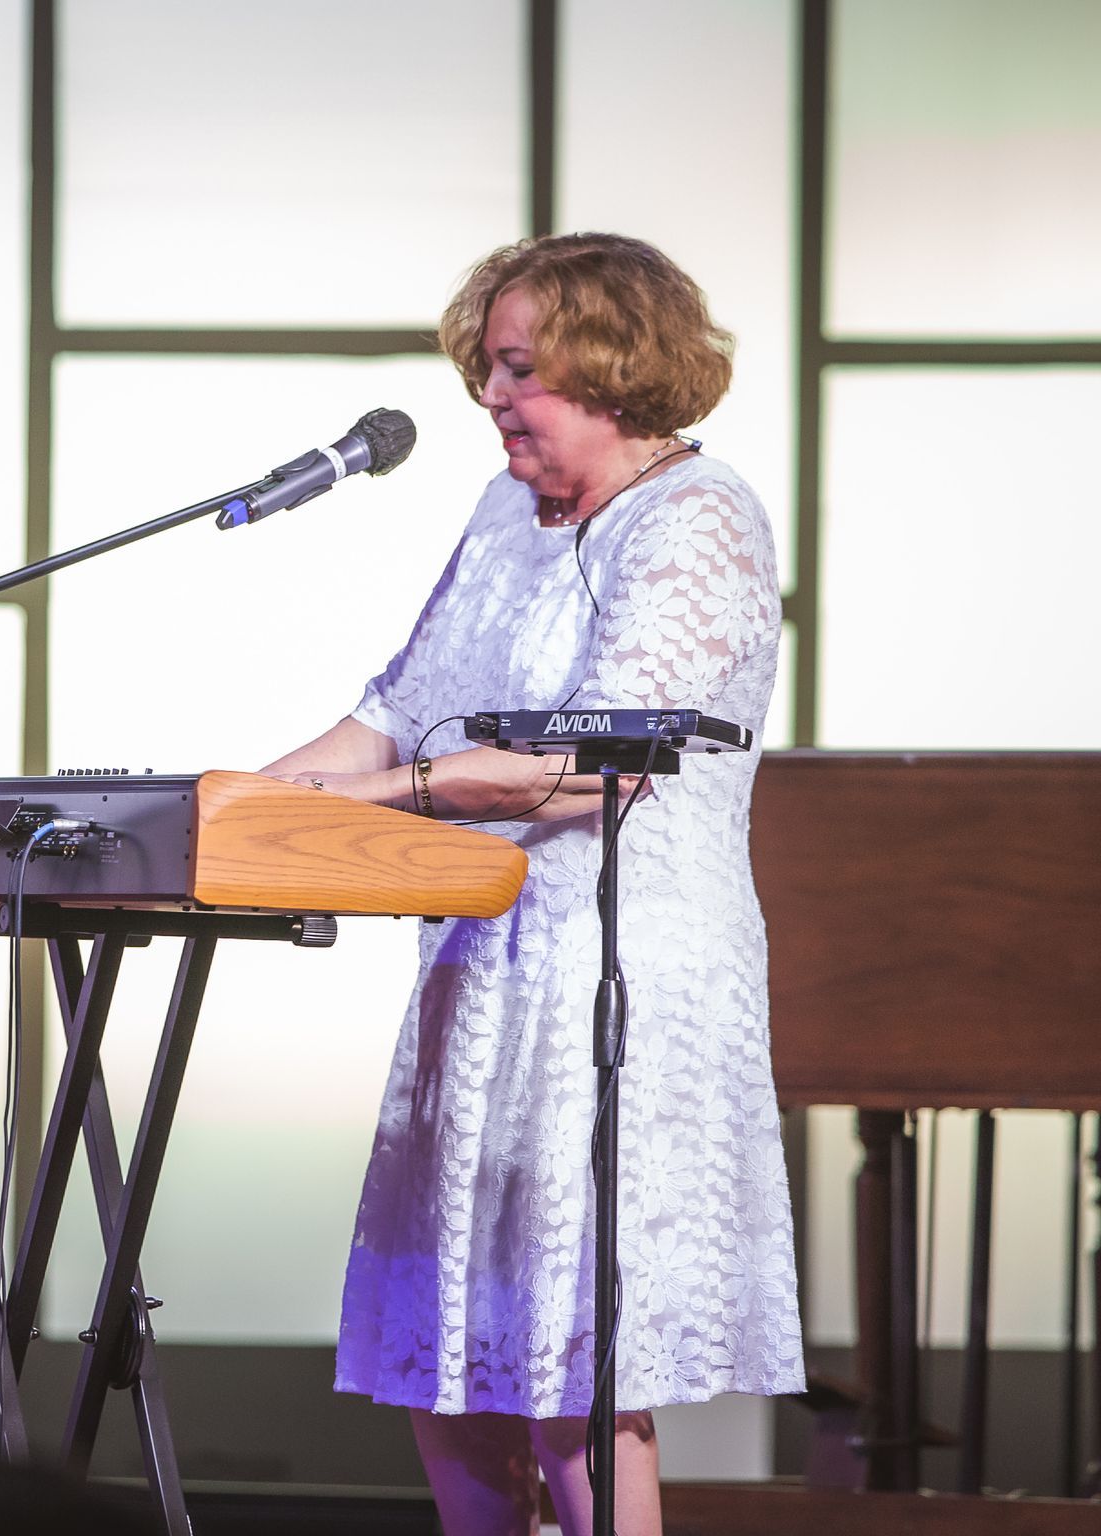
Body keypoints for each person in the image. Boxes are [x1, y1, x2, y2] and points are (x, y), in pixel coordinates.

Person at [261, 233, 805, 1536]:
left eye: (521, 371)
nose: (490, 399)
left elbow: (591, 772)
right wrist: (226, 809)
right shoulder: (510, 512)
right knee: (443, 1364)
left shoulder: (700, 518)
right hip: (484, 960)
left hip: (620, 975)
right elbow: (395, 713)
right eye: (488, 369)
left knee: (575, 1366)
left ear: (615, 368)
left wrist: (375, 805)